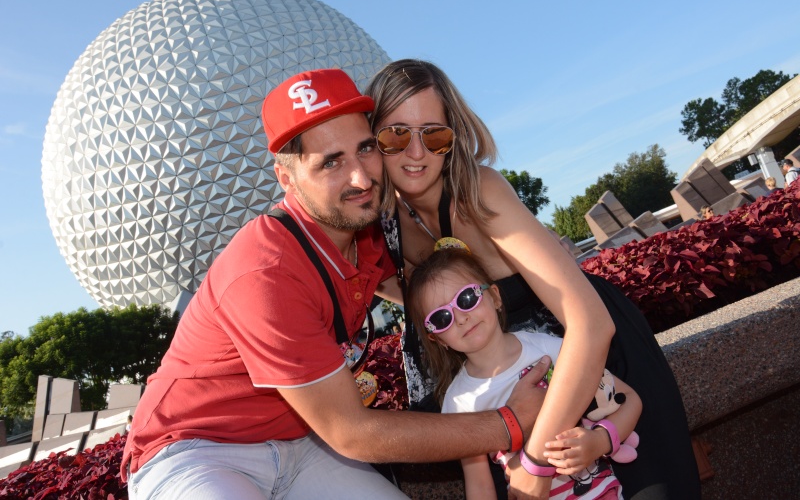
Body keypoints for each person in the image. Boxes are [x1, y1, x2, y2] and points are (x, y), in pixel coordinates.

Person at [121, 68, 550, 500]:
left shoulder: (367, 229)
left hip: (305, 444)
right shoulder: (265, 273)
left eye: (365, 149)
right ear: (287, 179)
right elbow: (353, 432)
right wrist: (509, 423)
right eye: (331, 162)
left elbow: (442, 274)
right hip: (197, 452)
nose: (361, 179)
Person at [365, 59, 700, 499]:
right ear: (371, 139)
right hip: (512, 393)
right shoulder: (387, 229)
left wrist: (538, 462)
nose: (416, 152)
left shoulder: (478, 190)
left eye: (434, 134)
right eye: (395, 134)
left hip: (591, 367)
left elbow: (591, 325)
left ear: (453, 138)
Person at [407, 248, 642, 500]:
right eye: (442, 318)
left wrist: (600, 441)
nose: (461, 317)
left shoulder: (548, 348)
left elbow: (629, 400)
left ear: (495, 297)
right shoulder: (458, 402)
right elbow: (479, 485)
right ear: (437, 339)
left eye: (466, 298)